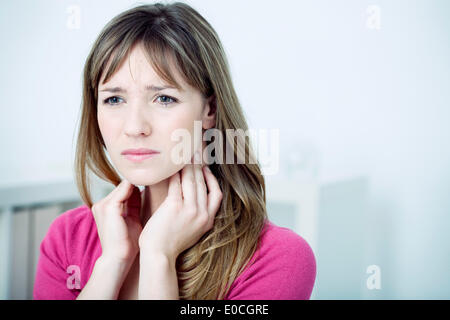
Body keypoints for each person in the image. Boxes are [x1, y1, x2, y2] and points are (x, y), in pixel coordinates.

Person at [33, 2, 316, 300]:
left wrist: (159, 257)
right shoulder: (67, 238)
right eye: (114, 100)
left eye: (164, 99)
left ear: (210, 108)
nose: (134, 127)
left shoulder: (278, 259)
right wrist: (111, 263)